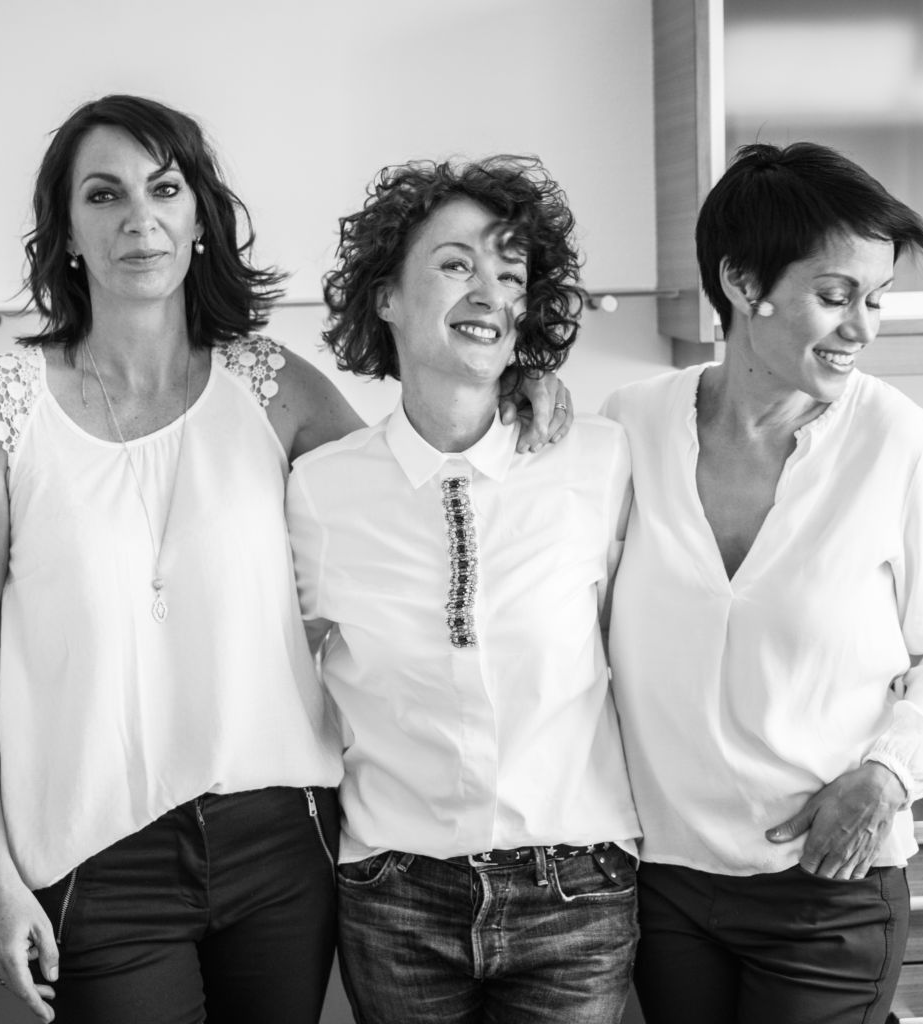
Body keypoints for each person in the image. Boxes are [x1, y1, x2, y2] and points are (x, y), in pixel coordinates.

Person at [0, 96, 571, 1024]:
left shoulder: (271, 387)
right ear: (65, 233)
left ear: (200, 220)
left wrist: (514, 379)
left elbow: (417, 492)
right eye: (104, 195)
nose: (139, 219)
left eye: (165, 190)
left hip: (281, 841)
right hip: (97, 853)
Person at [600, 142, 923, 1024]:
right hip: (665, 884)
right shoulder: (630, 424)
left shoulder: (899, 442)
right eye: (836, 295)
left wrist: (888, 776)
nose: (863, 328)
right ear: (743, 282)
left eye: (876, 298)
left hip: (828, 884)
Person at [286, 156, 641, 1024]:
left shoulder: (599, 461)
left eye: (511, 275)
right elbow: (284, 685)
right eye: (456, 264)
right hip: (396, 896)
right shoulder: (320, 491)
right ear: (385, 297)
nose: (489, 291)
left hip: (576, 894)